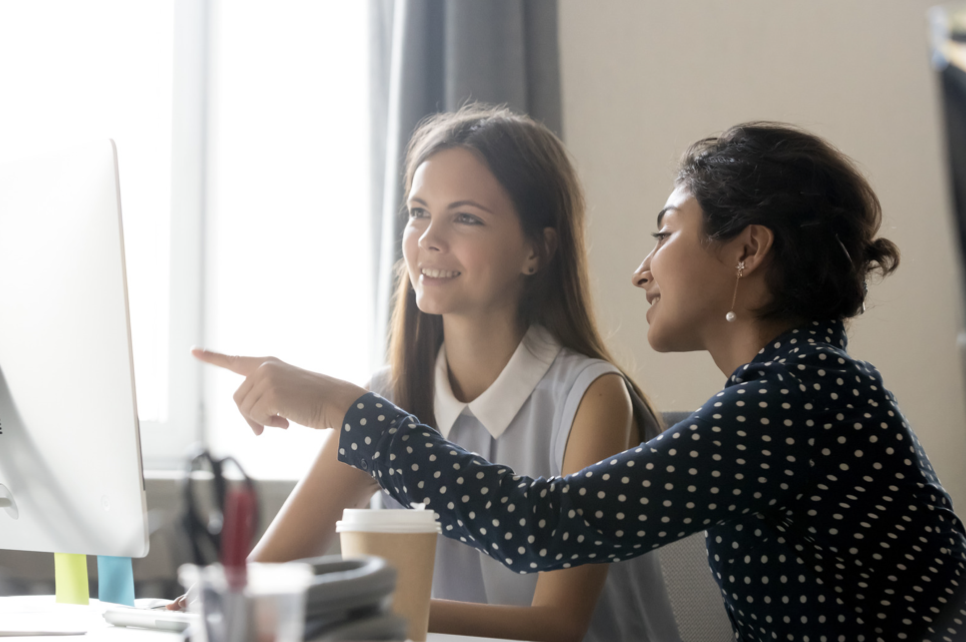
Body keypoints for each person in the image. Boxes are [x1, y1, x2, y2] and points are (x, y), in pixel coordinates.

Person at [197, 122, 966, 642]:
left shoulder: (803, 397)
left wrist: (344, 409)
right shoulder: (788, 393)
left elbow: (547, 527)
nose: (642, 268)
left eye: (666, 234)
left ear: (747, 250)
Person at [193, 106, 679, 642]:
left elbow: (554, 626)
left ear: (536, 251)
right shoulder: (388, 398)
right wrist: (196, 607)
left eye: (465, 217)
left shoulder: (591, 397)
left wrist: (357, 607)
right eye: (418, 212)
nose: (428, 237)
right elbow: (263, 575)